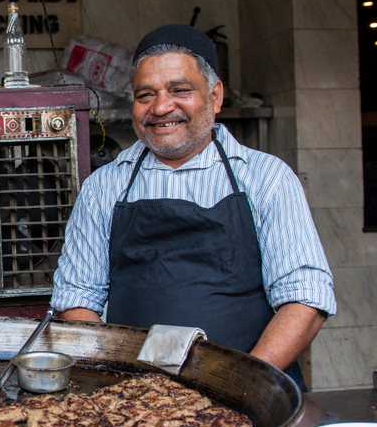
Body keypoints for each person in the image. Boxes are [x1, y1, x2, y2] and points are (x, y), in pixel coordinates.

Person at [51, 24, 336, 390]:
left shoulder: (268, 179)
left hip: (251, 393)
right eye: (145, 95)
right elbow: (76, 301)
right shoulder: (104, 188)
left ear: (215, 96)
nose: (161, 107)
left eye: (180, 90)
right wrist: (125, 389)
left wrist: (240, 385)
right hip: (134, 399)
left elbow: (305, 300)